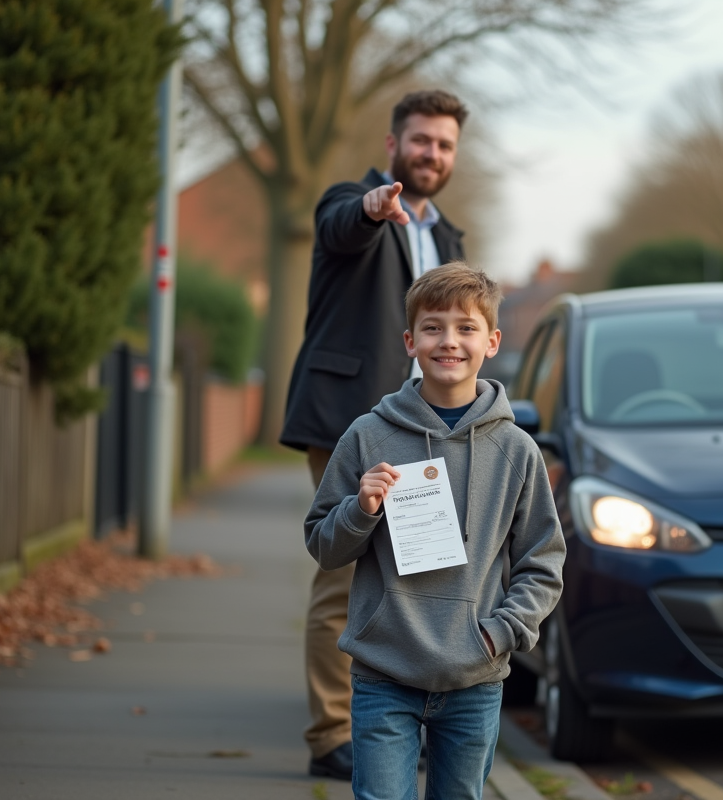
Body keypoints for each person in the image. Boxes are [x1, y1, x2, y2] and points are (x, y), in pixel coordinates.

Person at [304, 262, 566, 800]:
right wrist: (360, 509)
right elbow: (323, 546)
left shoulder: (517, 451)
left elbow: (543, 562)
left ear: (491, 342)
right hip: (384, 672)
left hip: (475, 676)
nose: (449, 341)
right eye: (433, 327)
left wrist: (501, 633)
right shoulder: (368, 436)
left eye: (466, 328)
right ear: (410, 341)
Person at [279, 90, 469, 780]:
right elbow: (341, 228)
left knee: (414, 575)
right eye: (421, 140)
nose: (431, 154)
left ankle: (389, 727)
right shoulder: (349, 202)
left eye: (444, 145)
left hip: (425, 429)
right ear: (393, 145)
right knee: (344, 575)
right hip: (348, 421)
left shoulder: (447, 239)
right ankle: (331, 735)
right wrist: (369, 209)